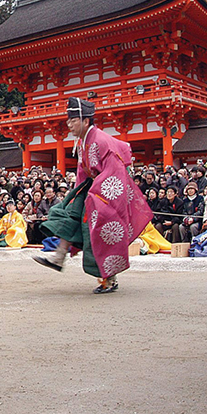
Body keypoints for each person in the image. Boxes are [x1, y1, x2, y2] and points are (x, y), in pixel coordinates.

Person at [33, 98, 151, 293]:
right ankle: (59, 254)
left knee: (96, 229)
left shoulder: (101, 140)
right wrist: (77, 196)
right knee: (66, 211)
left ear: (86, 121)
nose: (69, 124)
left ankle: (109, 278)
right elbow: (82, 172)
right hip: (93, 187)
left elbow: (115, 172)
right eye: (68, 120)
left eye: (73, 120)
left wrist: (96, 195)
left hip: (110, 191)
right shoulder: (82, 142)